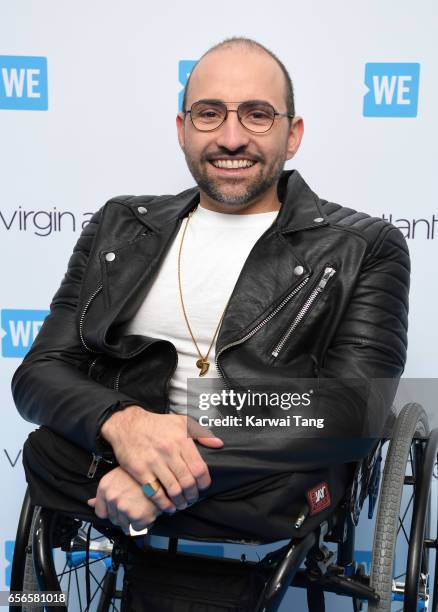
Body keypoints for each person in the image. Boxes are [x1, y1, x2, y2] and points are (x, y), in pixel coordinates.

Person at [12, 36, 409, 603]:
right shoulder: (121, 224)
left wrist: (158, 474)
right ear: (182, 129)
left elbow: (352, 408)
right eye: (209, 114)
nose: (230, 137)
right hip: (120, 455)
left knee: (297, 474)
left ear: (291, 135)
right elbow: (41, 372)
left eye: (257, 114)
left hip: (262, 477)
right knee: (46, 450)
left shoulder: (364, 244)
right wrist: (127, 427)